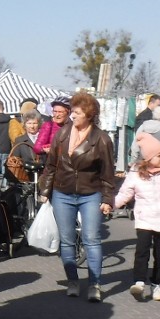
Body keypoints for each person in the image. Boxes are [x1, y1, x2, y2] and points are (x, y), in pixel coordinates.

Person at [38, 92, 115, 302]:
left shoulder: (102, 139)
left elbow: (108, 173)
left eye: (77, 113)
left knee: (91, 239)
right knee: (67, 240)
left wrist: (108, 200)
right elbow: (51, 165)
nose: (72, 116)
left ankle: (94, 284)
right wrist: (45, 192)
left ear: (89, 115)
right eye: (72, 112)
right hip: (62, 193)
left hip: (90, 194)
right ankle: (72, 281)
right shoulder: (62, 134)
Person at [114, 133, 160, 302]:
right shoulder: (136, 175)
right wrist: (112, 204)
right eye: (158, 156)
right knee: (142, 252)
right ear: (148, 158)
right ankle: (139, 282)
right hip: (145, 220)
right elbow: (125, 192)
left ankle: (156, 284)